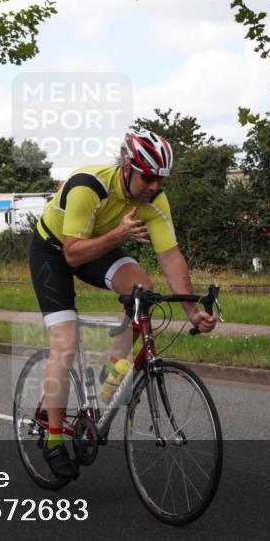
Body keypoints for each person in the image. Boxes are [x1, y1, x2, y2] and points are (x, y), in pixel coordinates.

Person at [28, 129, 217, 479]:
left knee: (142, 289)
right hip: (55, 251)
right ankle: (53, 438)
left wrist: (193, 311)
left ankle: (112, 371)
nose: (154, 187)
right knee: (65, 345)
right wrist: (117, 235)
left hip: (100, 245)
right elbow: (72, 254)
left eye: (160, 179)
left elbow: (171, 257)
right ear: (127, 167)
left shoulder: (154, 202)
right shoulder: (89, 186)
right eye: (148, 177)